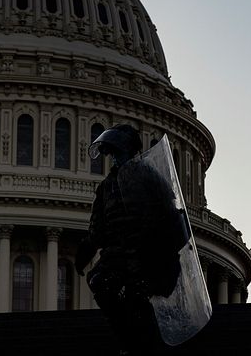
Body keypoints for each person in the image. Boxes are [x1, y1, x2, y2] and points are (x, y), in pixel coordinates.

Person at [75, 124, 187, 355]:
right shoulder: (106, 187)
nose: (115, 159)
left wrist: (168, 247)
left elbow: (170, 212)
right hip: (117, 253)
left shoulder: (148, 176)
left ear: (130, 152)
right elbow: (98, 226)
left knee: (139, 297)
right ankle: (128, 341)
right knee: (100, 283)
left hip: (146, 251)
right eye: (112, 154)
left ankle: (146, 344)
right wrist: (87, 248)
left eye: (118, 153)